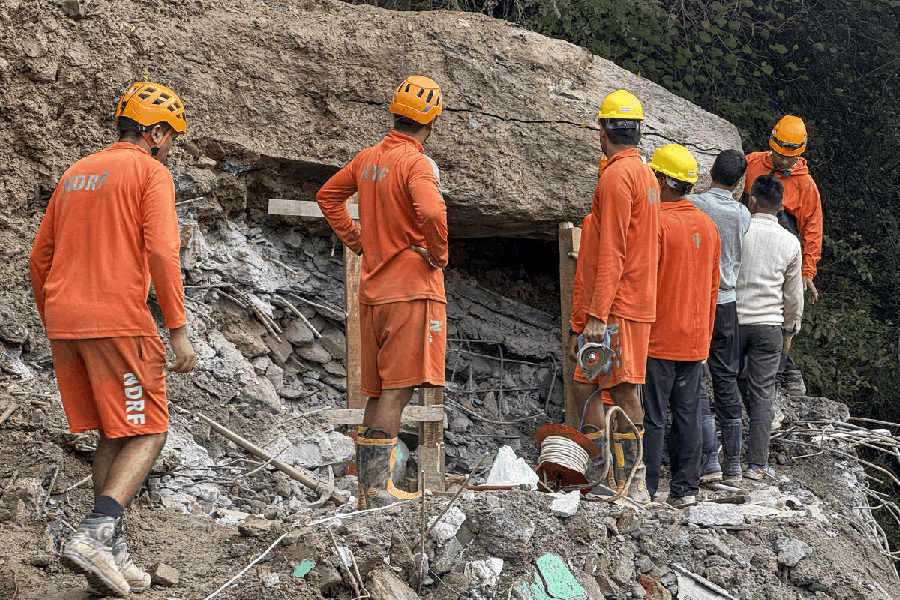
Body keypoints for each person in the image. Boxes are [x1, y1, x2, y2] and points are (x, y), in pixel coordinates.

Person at [29, 82, 197, 597]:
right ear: (153, 132)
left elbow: (38, 259)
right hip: (118, 319)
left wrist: (57, 315)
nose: (171, 146)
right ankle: (95, 533)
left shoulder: (77, 172)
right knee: (150, 429)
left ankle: (110, 549)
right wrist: (179, 332)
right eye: (170, 136)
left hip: (64, 319)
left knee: (116, 428)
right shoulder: (151, 173)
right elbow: (164, 255)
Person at [316, 76, 447, 509]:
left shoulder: (369, 158)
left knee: (377, 392)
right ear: (430, 122)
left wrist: (358, 241)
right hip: (410, 289)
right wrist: (439, 254)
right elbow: (430, 210)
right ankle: (376, 490)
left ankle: (367, 489)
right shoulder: (416, 164)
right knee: (399, 389)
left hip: (373, 290)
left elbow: (327, 196)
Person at [575, 89, 660, 502]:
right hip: (630, 301)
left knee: (622, 387)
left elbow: (613, 250)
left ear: (603, 129)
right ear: (639, 131)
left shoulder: (616, 177)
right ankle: (606, 478)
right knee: (590, 384)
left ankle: (630, 482)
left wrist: (597, 313)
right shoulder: (644, 175)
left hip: (617, 306)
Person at [641, 144, 720, 506]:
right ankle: (686, 490)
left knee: (654, 418)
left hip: (658, 339)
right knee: (688, 416)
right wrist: (704, 337)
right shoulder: (708, 226)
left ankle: (650, 487)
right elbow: (713, 287)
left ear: (661, 179)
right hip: (694, 341)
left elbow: (644, 282)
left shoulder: (656, 223)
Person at [743, 116, 821, 394]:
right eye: (781, 155)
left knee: (779, 311)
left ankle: (782, 368)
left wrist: (806, 272)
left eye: (791, 158)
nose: (785, 162)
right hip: (747, 245)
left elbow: (812, 229)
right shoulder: (752, 163)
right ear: (771, 145)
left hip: (781, 253)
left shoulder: (805, 185)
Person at [687, 149, 750, 483]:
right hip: (728, 303)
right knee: (726, 378)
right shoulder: (743, 214)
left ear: (709, 171)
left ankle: (709, 461)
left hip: (697, 301)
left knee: (696, 374)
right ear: (739, 182)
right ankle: (735, 465)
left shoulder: (696, 205)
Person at [735, 174, 803, 480]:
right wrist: (790, 330)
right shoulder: (791, 242)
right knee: (763, 394)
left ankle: (727, 463)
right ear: (780, 207)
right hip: (769, 327)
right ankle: (757, 465)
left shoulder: (739, 230)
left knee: (728, 385)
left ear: (752, 200)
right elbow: (794, 294)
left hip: (733, 322)